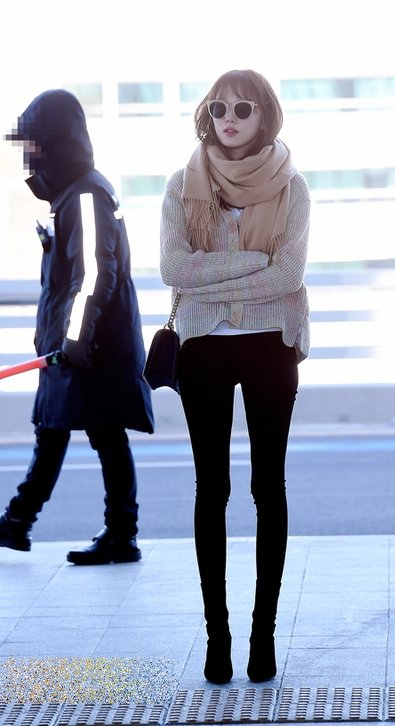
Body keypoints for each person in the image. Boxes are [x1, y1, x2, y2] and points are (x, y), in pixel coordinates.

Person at [160, 69, 310, 684]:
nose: (229, 118)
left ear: (264, 116)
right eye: (219, 107)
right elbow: (174, 269)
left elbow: (289, 275)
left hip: (272, 347)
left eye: (243, 109)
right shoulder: (183, 184)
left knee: (267, 488)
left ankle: (262, 636)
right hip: (204, 350)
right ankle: (217, 637)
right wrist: (253, 260)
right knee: (211, 491)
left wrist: (216, 273)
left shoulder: (292, 186)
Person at [1, 89, 154, 565]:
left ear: (54, 140)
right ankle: (18, 523)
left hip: (90, 347)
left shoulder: (86, 194)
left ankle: (116, 534)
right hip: (75, 345)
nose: (28, 151)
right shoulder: (72, 193)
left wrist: (74, 339)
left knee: (100, 435)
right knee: (58, 430)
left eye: (34, 141)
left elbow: (94, 273)